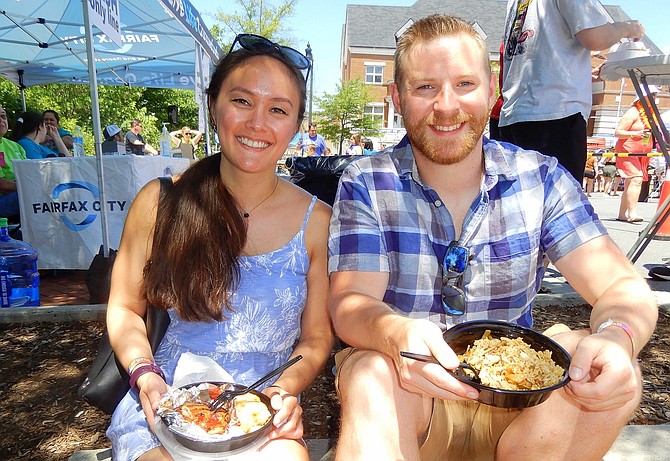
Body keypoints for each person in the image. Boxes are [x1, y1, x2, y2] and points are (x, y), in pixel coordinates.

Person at [327, 15, 658, 461]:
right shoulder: (367, 180)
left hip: (519, 409)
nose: (447, 106)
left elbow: (621, 288)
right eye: (425, 87)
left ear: (492, 91)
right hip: (411, 391)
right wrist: (395, 332)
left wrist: (618, 336)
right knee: (368, 371)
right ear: (398, 98)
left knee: (611, 369)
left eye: (464, 84)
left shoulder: (540, 178)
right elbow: (351, 304)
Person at [105, 33, 333, 461]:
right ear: (213, 106)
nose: (257, 124)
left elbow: (317, 335)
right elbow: (123, 308)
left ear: (296, 125)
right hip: (165, 400)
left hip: (260, 409)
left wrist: (283, 393)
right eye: (242, 101)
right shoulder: (161, 201)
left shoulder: (317, 221)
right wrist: (145, 375)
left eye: (278, 109)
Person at [498, 0, 645, 182]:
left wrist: (578, 72)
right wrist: (627, 27)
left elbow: (538, 49)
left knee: (521, 201)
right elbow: (595, 37)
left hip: (516, 112)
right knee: (561, 201)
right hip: (555, 112)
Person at [613, 85, 659, 223]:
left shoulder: (651, 114)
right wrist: (635, 133)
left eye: (655, 95)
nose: (654, 98)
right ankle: (633, 213)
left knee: (630, 183)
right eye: (652, 95)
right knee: (636, 179)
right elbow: (618, 132)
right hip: (627, 151)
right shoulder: (633, 112)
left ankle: (622, 214)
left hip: (642, 153)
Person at [0, 106, 26, 218]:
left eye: (3, 116)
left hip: (18, 193)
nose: (1, 120)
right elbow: (1, 185)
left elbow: (29, 173)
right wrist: (28, 186)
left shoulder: (15, 146)